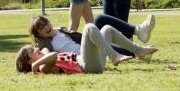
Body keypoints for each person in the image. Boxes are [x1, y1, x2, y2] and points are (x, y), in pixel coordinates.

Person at [16, 21, 157, 74]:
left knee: (107, 28)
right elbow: (51, 56)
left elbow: (48, 54)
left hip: (91, 61)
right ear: (29, 61)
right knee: (89, 27)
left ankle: (138, 51)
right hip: (86, 65)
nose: (36, 49)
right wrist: (37, 63)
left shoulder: (58, 34)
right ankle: (114, 56)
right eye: (32, 51)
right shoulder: (41, 67)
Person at [27, 15, 156, 61]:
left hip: (93, 46)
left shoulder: (59, 31)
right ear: (39, 35)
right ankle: (138, 34)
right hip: (88, 54)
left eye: (45, 23)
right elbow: (42, 54)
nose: (45, 27)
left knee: (106, 27)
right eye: (41, 28)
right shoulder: (47, 44)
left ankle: (138, 43)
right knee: (98, 21)